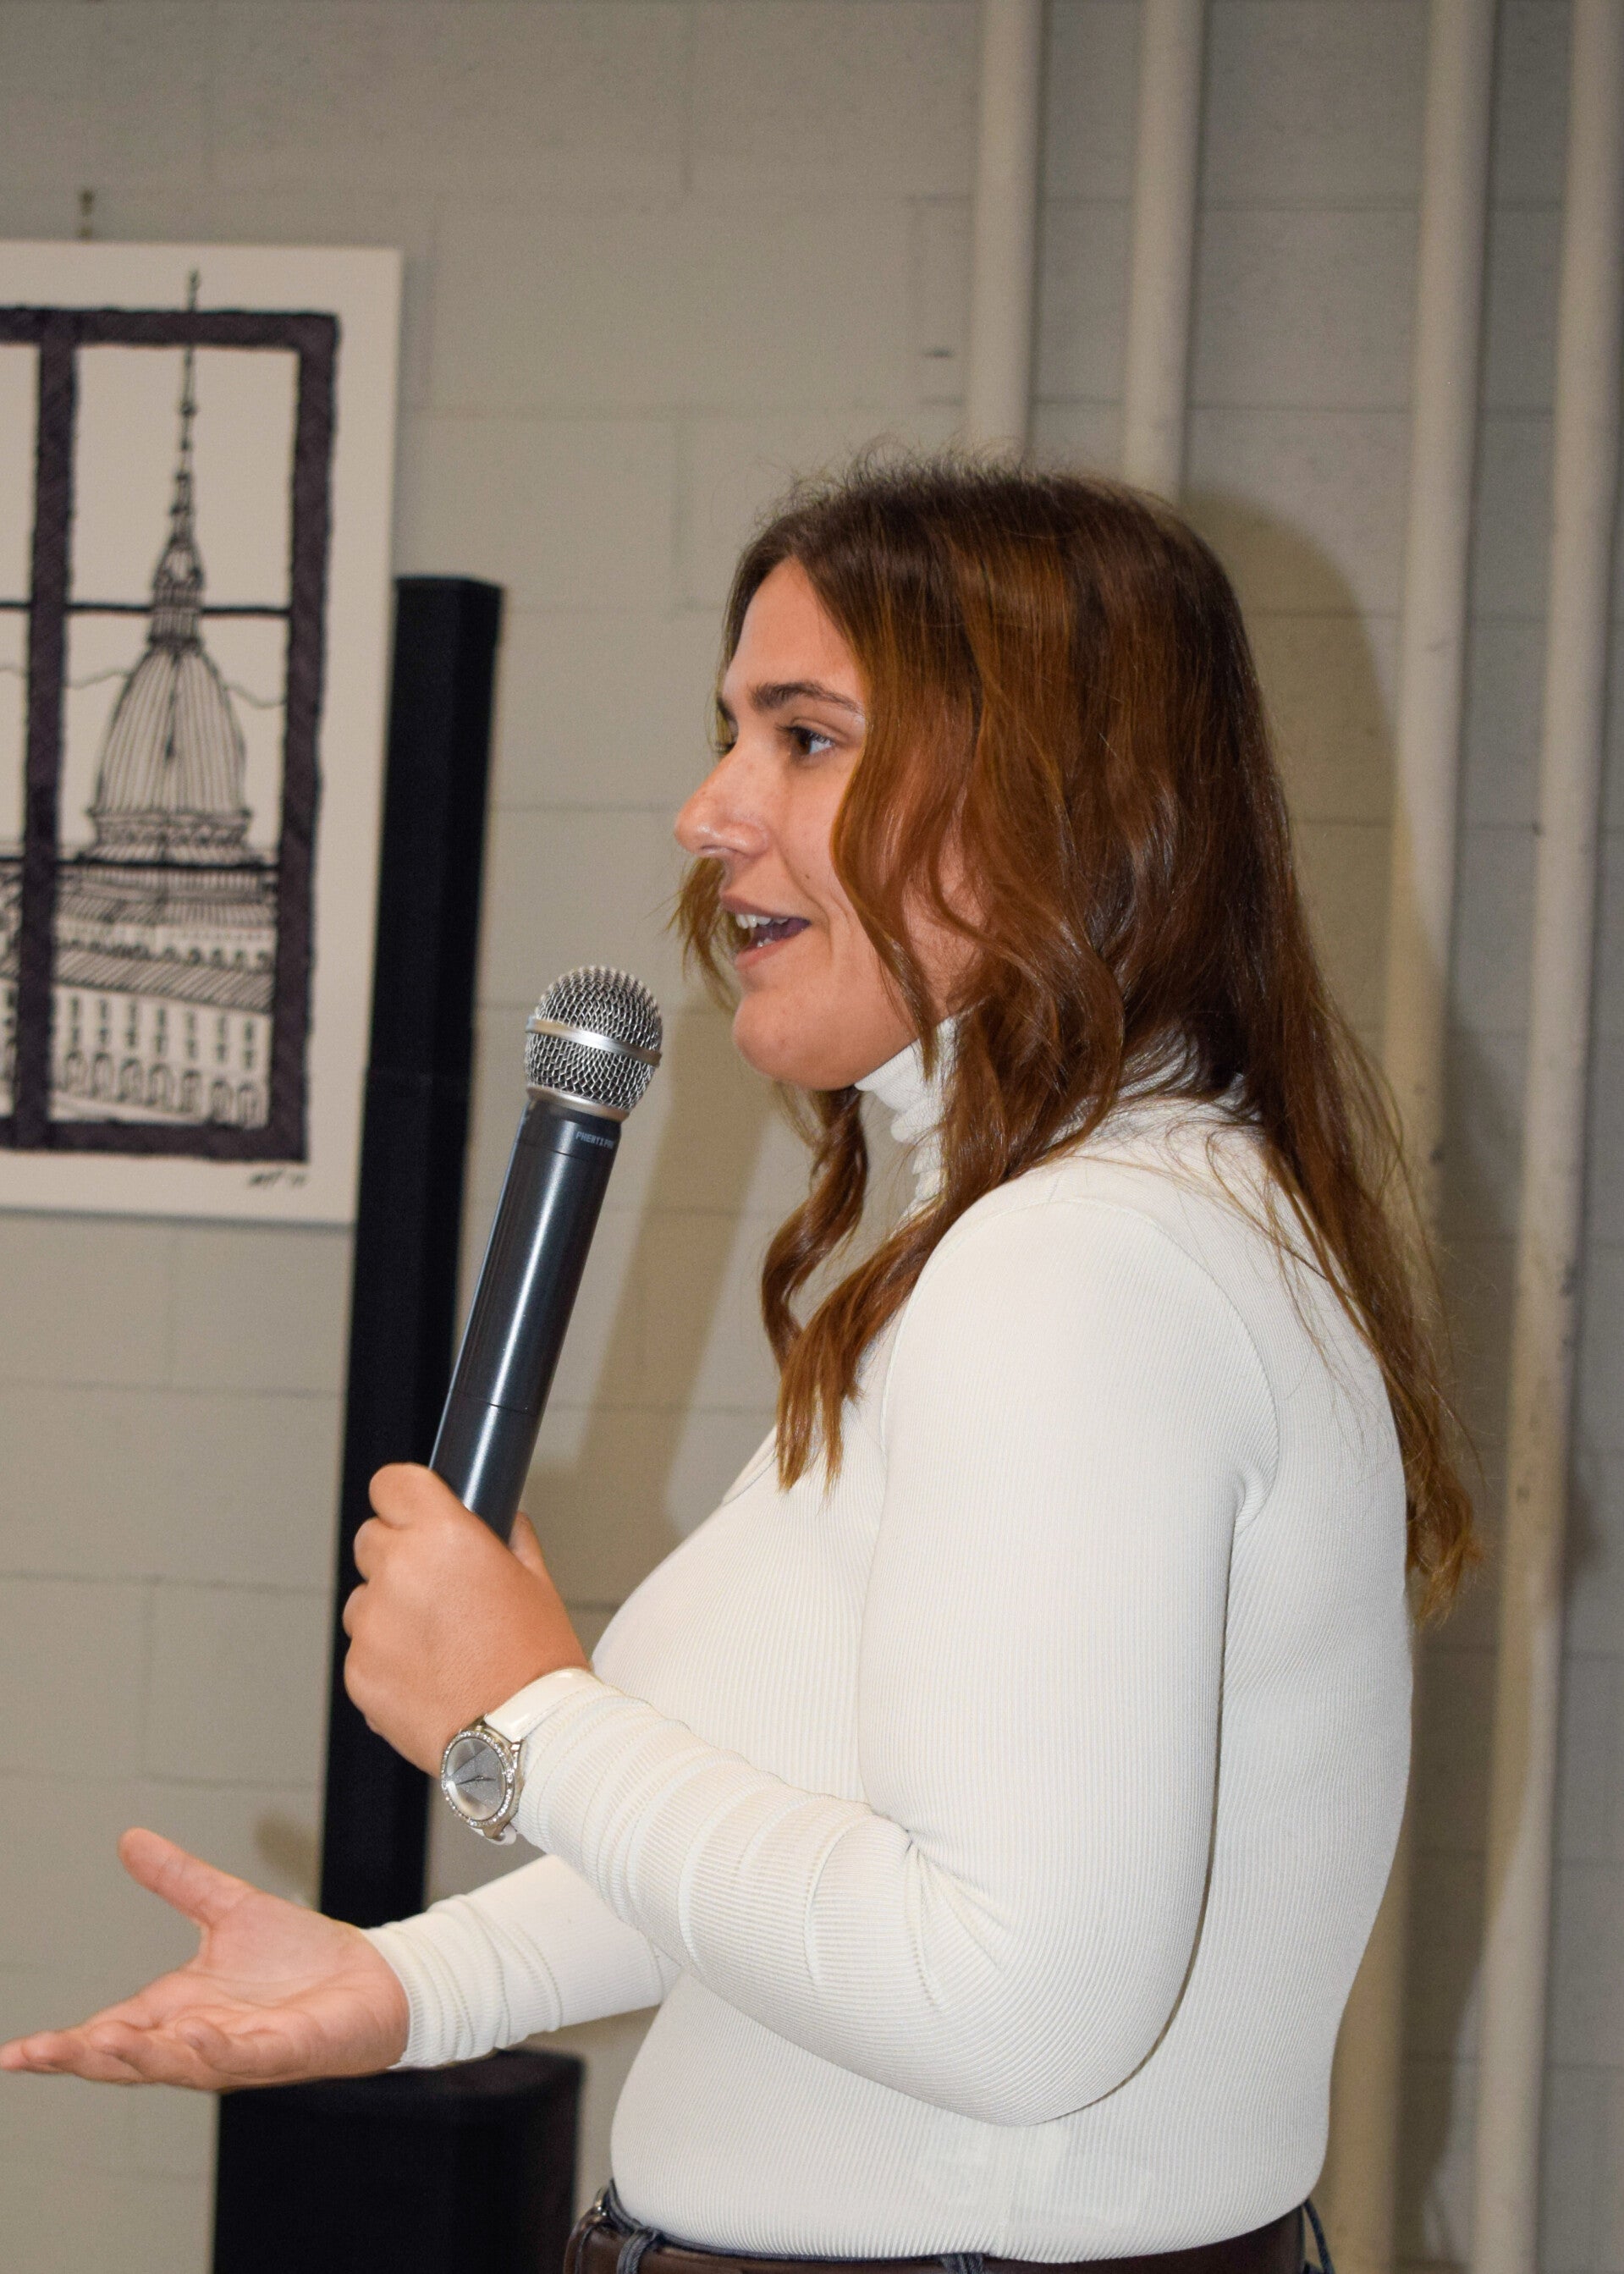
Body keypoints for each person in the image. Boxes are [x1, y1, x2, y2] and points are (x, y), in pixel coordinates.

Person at [1, 461, 1474, 2271]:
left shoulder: (1079, 1267)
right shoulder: (1083, 1222)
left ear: (1054, 798)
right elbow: (806, 1872)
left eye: (806, 737)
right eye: (734, 733)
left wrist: (527, 1721)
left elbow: (1015, 2003)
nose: (709, 814)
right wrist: (408, 1986)